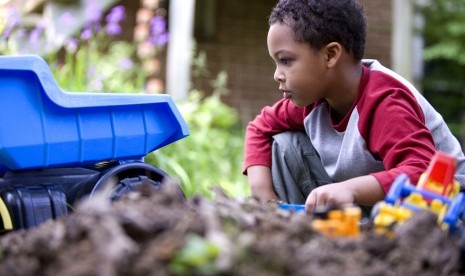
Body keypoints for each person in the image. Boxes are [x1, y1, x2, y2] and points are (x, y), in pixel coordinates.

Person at [242, 0, 465, 213]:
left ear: (330, 55)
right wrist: (264, 195)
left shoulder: (384, 101)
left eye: (286, 61)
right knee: (285, 144)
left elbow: (422, 173)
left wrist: (349, 189)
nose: (276, 75)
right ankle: (298, 228)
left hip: (442, 206)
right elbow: (259, 128)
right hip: (374, 202)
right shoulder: (312, 99)